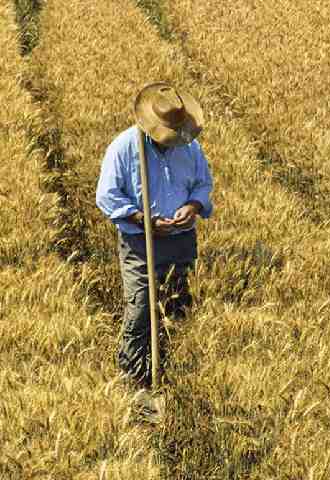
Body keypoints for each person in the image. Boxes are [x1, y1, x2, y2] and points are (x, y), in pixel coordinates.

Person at [96, 82, 213, 388]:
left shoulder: (190, 145)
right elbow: (107, 196)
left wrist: (193, 205)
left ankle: (170, 374)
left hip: (182, 241)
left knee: (177, 308)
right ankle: (133, 378)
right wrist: (143, 220)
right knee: (140, 311)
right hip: (141, 244)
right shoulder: (124, 147)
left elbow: (203, 183)